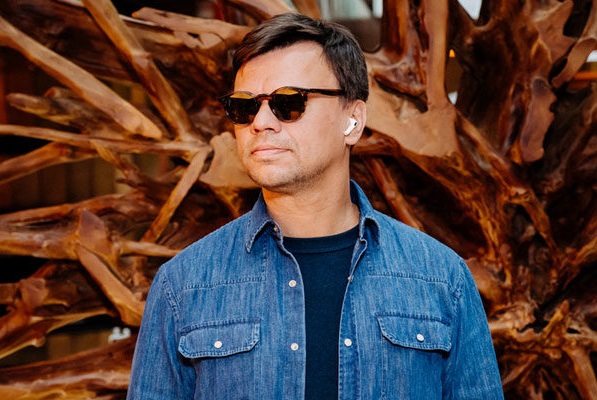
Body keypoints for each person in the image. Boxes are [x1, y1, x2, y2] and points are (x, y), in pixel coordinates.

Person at [127, 13, 503, 399]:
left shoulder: (441, 279)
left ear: (352, 121)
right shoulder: (183, 285)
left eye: (288, 102)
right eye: (244, 107)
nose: (260, 122)